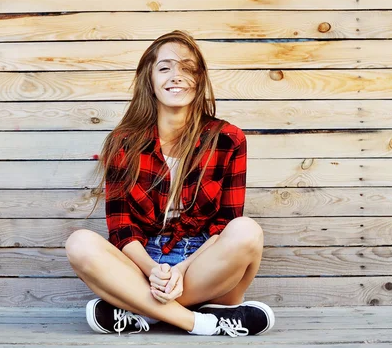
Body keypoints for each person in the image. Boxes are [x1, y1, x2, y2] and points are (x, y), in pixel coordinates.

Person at [64, 30, 274, 337]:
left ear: (200, 80)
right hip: (141, 264)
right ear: (149, 80)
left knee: (247, 231)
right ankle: (199, 321)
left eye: (187, 68)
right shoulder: (124, 143)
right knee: (79, 243)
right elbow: (121, 228)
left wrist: (181, 269)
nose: (176, 76)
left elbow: (223, 225)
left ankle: (142, 312)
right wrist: (153, 272)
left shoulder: (228, 139)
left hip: (201, 261)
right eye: (165, 68)